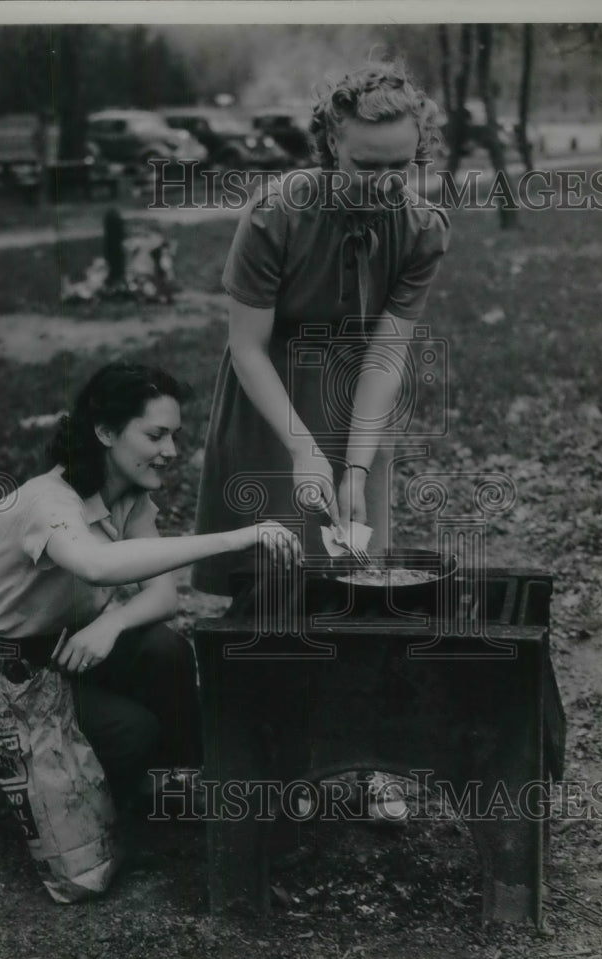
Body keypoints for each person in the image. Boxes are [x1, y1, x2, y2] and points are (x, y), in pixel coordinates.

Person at [0, 361, 301, 827]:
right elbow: (95, 565)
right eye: (155, 436)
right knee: (131, 733)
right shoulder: (46, 501)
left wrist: (111, 623)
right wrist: (238, 537)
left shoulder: (126, 495)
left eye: (173, 436)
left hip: (62, 646)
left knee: (164, 649)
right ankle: (8, 774)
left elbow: (163, 598)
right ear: (107, 433)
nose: (170, 451)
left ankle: (191, 782)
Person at [192, 61, 450, 596]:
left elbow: (386, 357)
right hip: (273, 395)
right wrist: (303, 450)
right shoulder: (275, 215)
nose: (384, 186)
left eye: (399, 168)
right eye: (367, 166)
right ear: (333, 143)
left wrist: (354, 468)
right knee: (266, 580)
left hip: (359, 402)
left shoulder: (423, 230)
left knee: (353, 574)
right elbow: (246, 345)